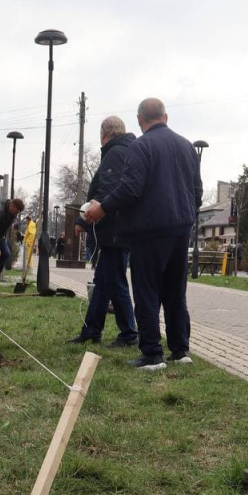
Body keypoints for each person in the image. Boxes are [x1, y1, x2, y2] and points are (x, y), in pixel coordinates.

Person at [82, 98, 202, 371]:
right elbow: (197, 190)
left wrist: (102, 208)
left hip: (149, 230)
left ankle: (152, 353)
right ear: (166, 117)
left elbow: (130, 189)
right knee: (175, 291)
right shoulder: (187, 146)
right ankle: (180, 350)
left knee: (147, 290)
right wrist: (187, 215)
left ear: (139, 120)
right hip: (181, 228)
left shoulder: (141, 146)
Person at [68, 116, 139, 348]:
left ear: (104, 133)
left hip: (113, 229)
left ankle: (129, 333)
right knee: (102, 282)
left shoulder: (115, 153)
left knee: (115, 281)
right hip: (116, 227)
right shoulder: (125, 150)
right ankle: (92, 329)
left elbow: (107, 190)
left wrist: (86, 219)